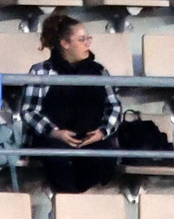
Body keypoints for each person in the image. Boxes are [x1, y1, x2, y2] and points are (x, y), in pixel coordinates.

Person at [20, 12, 121, 194]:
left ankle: (72, 200)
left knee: (105, 157)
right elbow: (29, 110)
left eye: (88, 38)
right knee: (55, 156)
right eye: (82, 40)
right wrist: (54, 132)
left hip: (90, 137)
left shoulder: (99, 71)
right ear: (65, 44)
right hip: (53, 138)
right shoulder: (41, 71)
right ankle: (70, 203)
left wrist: (102, 132)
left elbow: (114, 106)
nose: (88, 44)